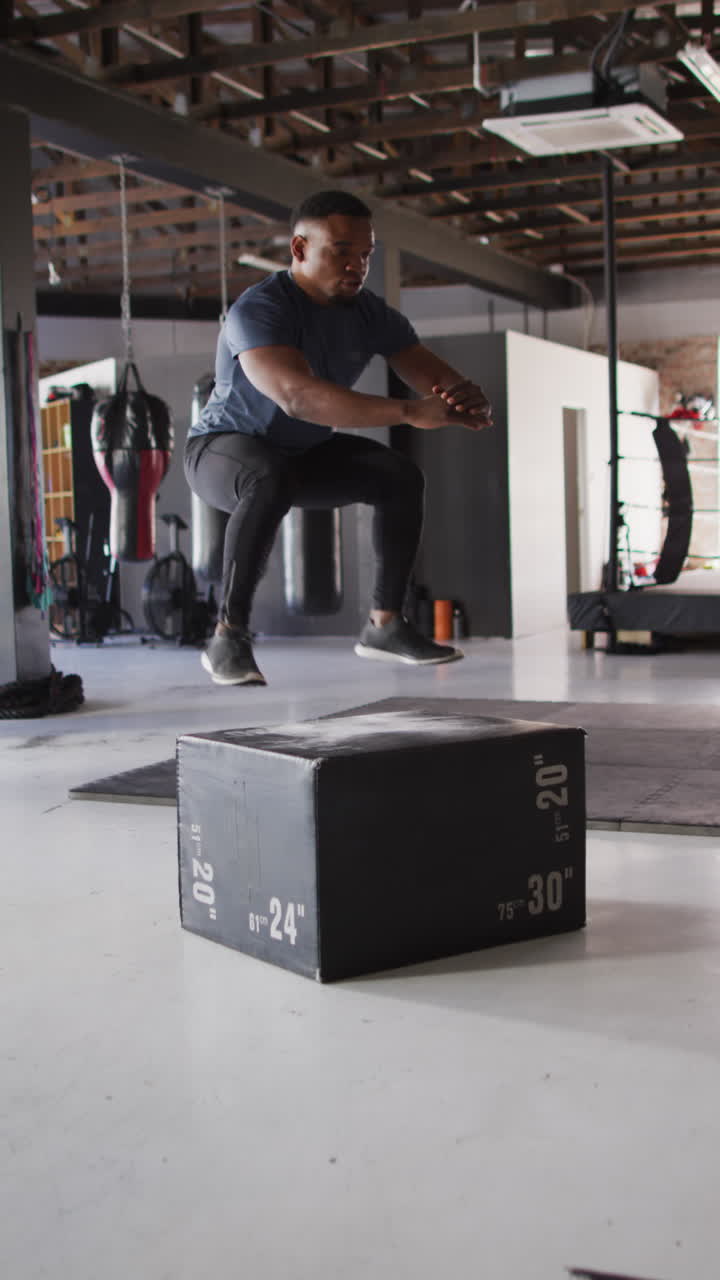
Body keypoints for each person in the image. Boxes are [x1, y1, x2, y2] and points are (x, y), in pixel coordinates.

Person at [184, 189, 493, 687]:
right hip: (224, 450)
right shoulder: (260, 309)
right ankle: (227, 635)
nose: (357, 265)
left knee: (398, 477)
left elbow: (427, 370)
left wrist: (463, 395)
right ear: (300, 249)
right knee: (267, 475)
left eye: (366, 254)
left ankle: (385, 626)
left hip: (301, 454)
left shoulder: (369, 313)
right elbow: (297, 397)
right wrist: (412, 412)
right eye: (341, 251)